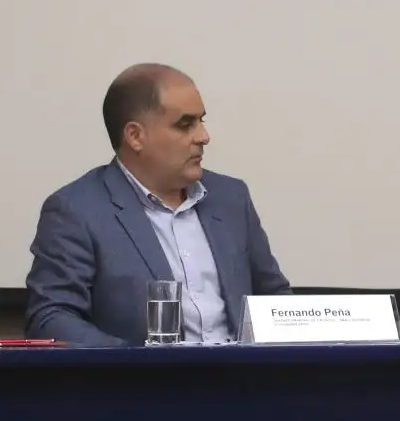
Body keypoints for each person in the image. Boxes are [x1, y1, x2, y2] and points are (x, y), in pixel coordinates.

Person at [25, 63, 290, 346]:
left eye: (202, 121)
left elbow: (274, 299)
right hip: (147, 384)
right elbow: (50, 318)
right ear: (136, 136)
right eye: (185, 124)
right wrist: (138, 363)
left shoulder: (230, 197)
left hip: (244, 381)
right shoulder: (77, 210)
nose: (204, 137)